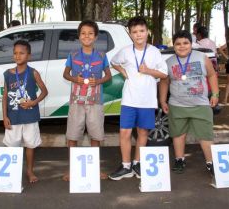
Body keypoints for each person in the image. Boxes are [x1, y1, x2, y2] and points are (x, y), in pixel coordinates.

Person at [108, 16, 168, 180]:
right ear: (130, 34)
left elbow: (164, 73)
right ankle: (126, 166)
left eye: (141, 31)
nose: (138, 34)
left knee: (142, 132)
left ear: (147, 32)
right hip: (129, 100)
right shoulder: (126, 51)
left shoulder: (154, 52)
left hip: (147, 100)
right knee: (125, 132)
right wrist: (123, 72)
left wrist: (148, 70)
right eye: (134, 32)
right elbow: (114, 62)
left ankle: (137, 163)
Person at [159, 30, 219, 176]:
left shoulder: (202, 57)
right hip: (177, 105)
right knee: (178, 134)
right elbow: (164, 82)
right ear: (173, 45)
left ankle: (210, 162)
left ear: (191, 44)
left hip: (201, 104)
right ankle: (179, 160)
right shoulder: (168, 62)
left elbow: (212, 75)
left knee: (205, 135)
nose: (182, 46)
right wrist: (162, 100)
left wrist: (216, 94)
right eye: (178, 44)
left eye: (185, 43)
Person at [62, 20, 111, 181]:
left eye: (90, 33)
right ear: (79, 36)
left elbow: (108, 76)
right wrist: (75, 79)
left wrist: (97, 81)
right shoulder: (73, 55)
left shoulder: (102, 56)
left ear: (96, 36)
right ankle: (72, 170)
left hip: (95, 102)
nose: (87, 36)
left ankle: (95, 169)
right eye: (83, 33)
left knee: (95, 135)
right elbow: (65, 74)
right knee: (73, 136)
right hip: (76, 101)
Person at [2, 40, 48, 183]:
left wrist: (33, 102)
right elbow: (4, 96)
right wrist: (4, 116)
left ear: (28, 56)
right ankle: (6, 172)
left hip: (30, 117)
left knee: (30, 145)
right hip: (13, 117)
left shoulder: (33, 73)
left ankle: (29, 171)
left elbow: (45, 91)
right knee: (11, 145)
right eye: (15, 53)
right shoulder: (8, 74)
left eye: (21, 53)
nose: (18, 56)